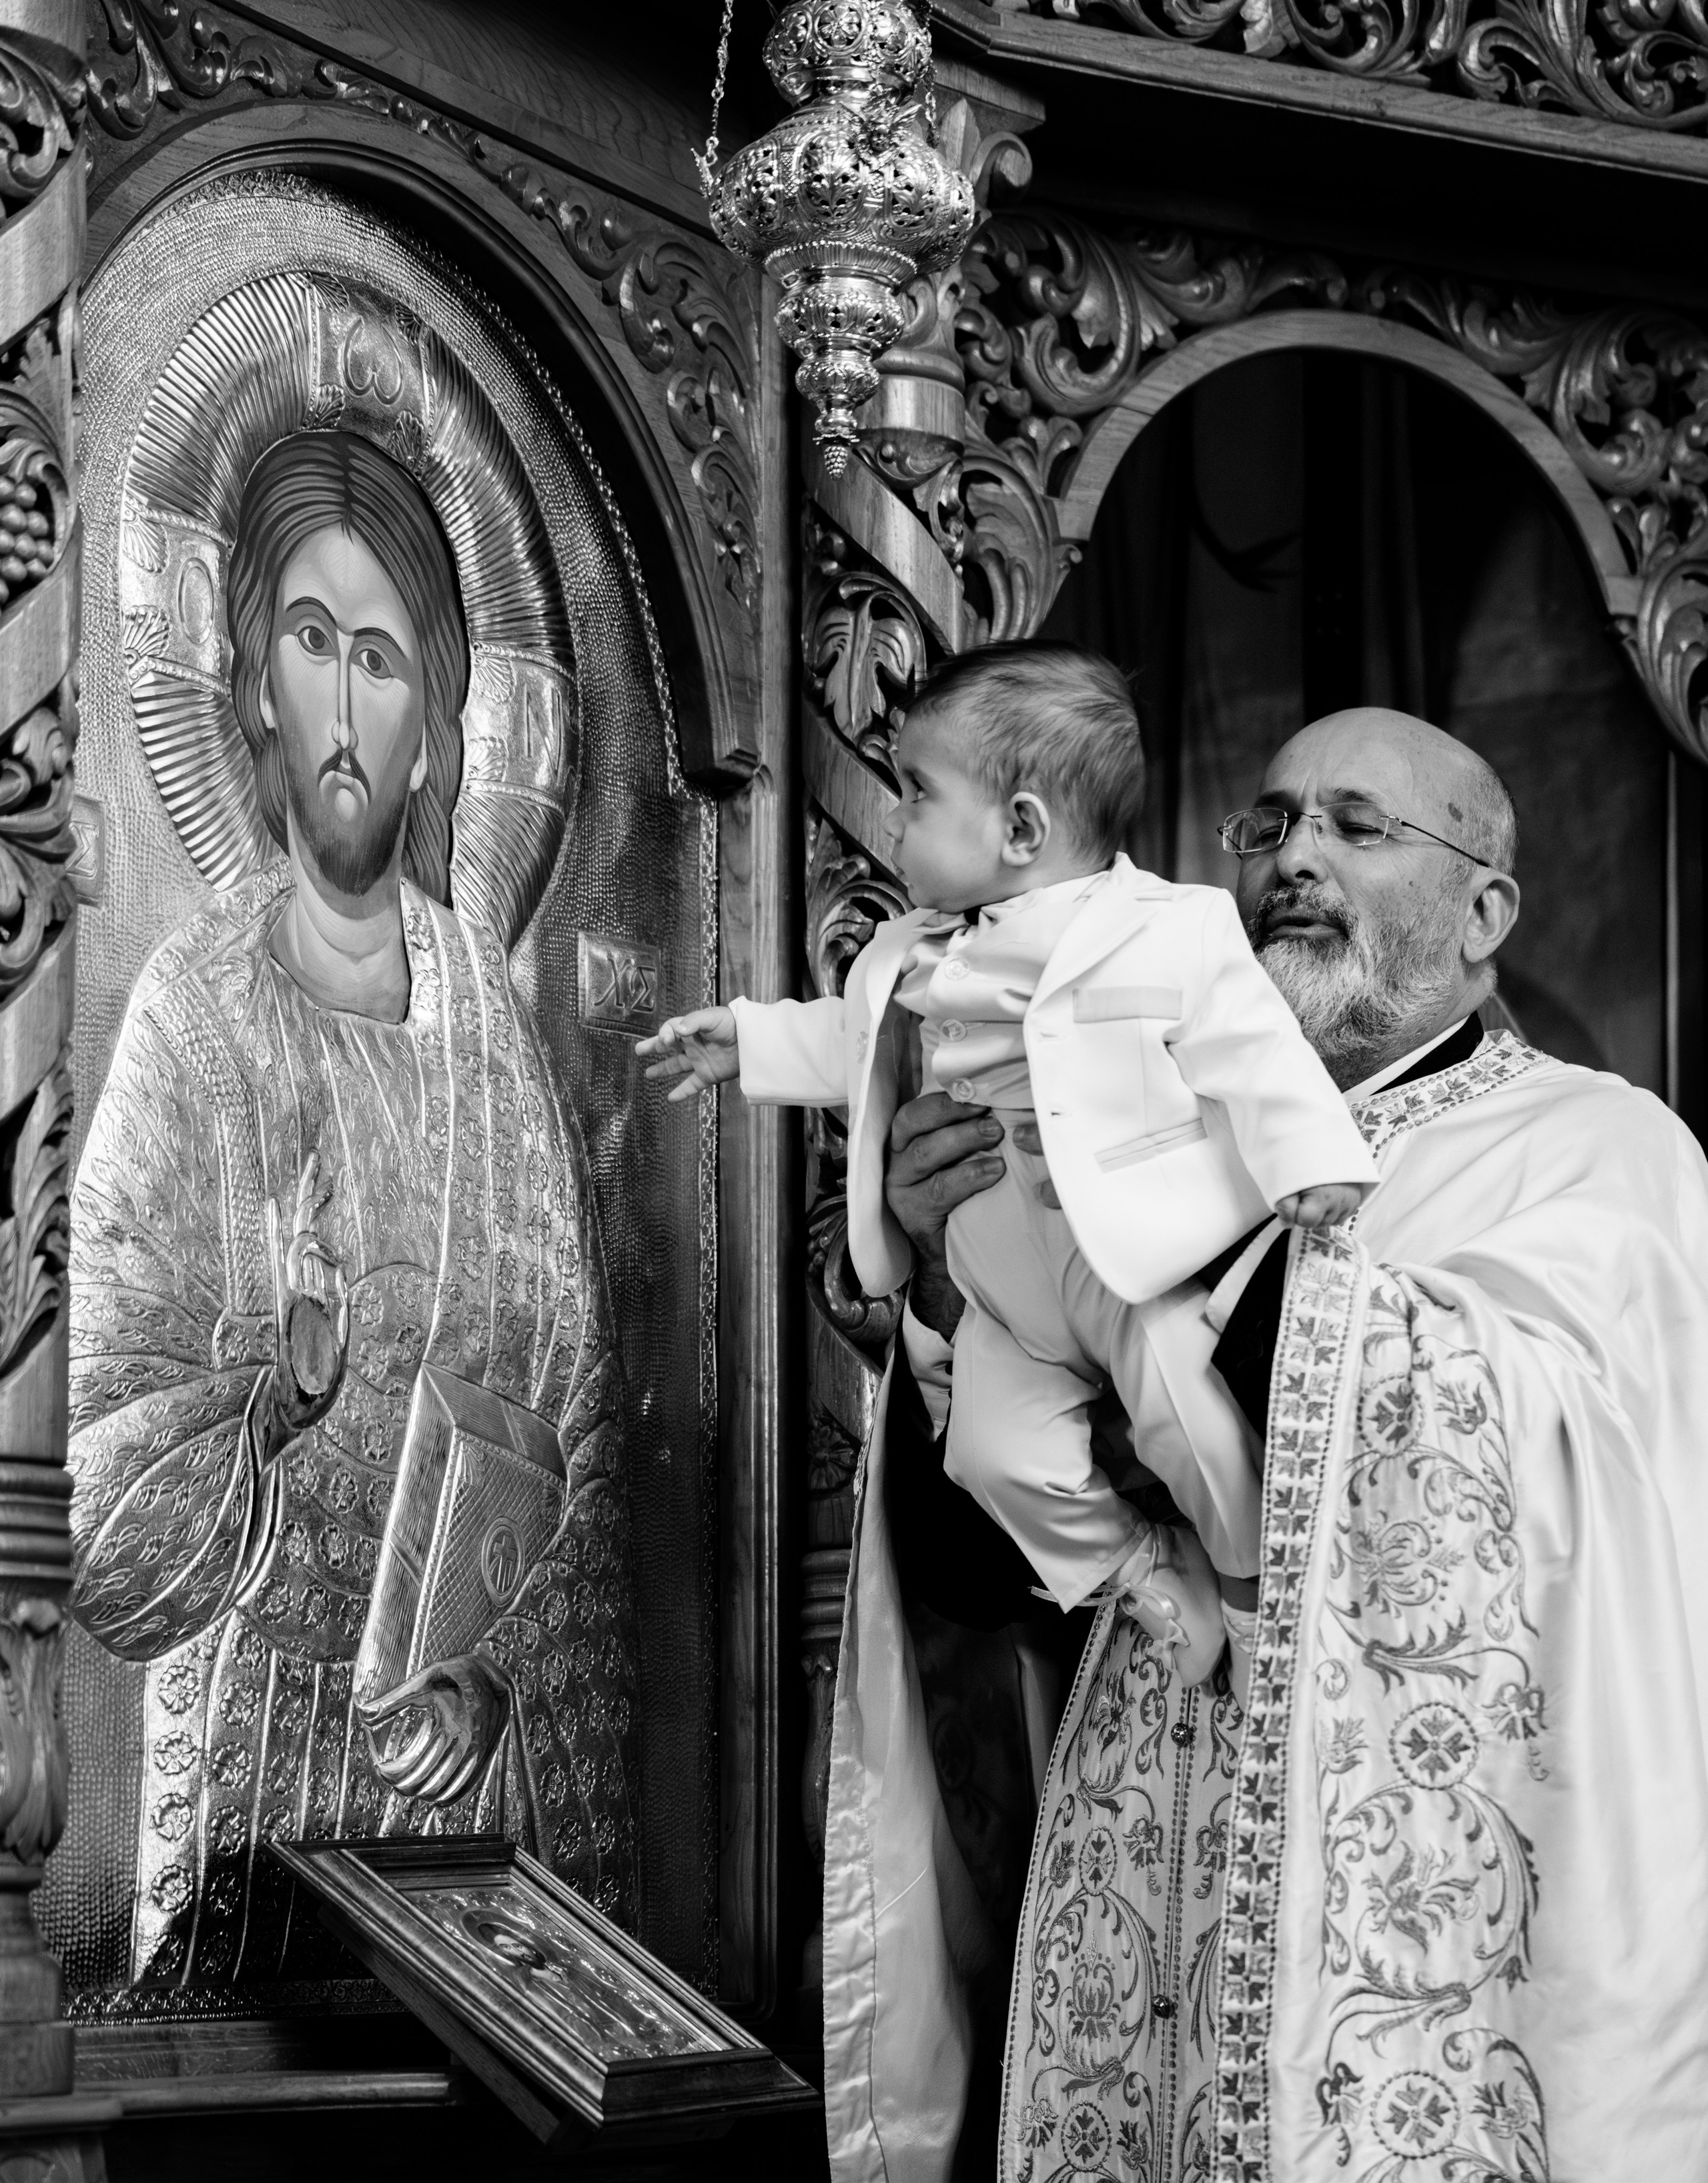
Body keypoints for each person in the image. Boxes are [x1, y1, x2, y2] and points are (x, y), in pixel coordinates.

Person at [823, 705, 1708, 2183]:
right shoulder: (1140, 1127)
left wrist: (1148, 1225)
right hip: (1142, 1945)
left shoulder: (1598, 1150)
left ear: (1485, 913)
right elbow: (985, 1584)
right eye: (1271, 825)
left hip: (1415, 1967)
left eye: (1356, 828)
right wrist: (948, 1276)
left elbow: (1558, 1521)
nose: (1294, 857)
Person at [67, 431, 636, 1987]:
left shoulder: (495, 1045)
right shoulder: (196, 1014)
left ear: (433, 731)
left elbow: (577, 1429)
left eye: (378, 661)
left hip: (468, 1794)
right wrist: (267, 1400)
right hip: (255, 1762)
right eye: (309, 641)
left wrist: (486, 1671)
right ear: (253, 680)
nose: (339, 704)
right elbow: (93, 1467)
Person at [641, 643, 1376, 1687]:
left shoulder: (1173, 930)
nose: (894, 817)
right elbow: (854, 1038)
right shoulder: (916, 949)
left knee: (1191, 1424)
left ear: (1022, 829)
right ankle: (1143, 1574)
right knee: (990, 1453)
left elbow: (1251, 1050)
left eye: (916, 792)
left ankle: (1259, 1607)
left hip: (1125, 1267)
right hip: (998, 1280)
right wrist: (751, 1042)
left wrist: (1311, 1159)